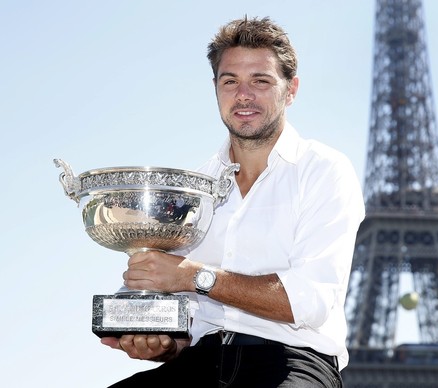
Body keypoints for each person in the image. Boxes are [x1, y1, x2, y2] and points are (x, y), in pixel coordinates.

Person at [101, 16, 365, 387]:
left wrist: (193, 276)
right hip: (202, 360)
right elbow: (183, 321)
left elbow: (309, 302)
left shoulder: (324, 170)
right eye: (230, 82)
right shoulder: (192, 189)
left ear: (291, 90)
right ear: (216, 89)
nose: (244, 94)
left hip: (293, 359)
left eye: (260, 80)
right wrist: (161, 342)